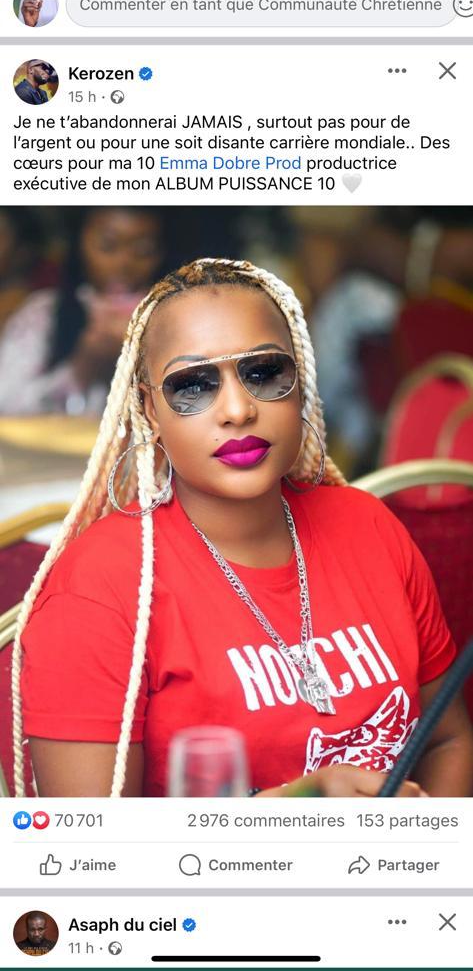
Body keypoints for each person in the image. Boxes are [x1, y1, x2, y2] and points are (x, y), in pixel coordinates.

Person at [15, 259, 473, 799]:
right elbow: (88, 843)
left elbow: (448, 741)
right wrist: (297, 807)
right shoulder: (100, 588)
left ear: (300, 382)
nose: (237, 410)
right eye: (192, 384)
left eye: (263, 373)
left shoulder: (369, 524)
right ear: (150, 410)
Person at [0, 207, 165, 415]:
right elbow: (6, 405)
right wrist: (83, 368)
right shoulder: (43, 314)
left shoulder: (170, 317)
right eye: (108, 246)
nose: (124, 263)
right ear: (79, 243)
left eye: (144, 250)